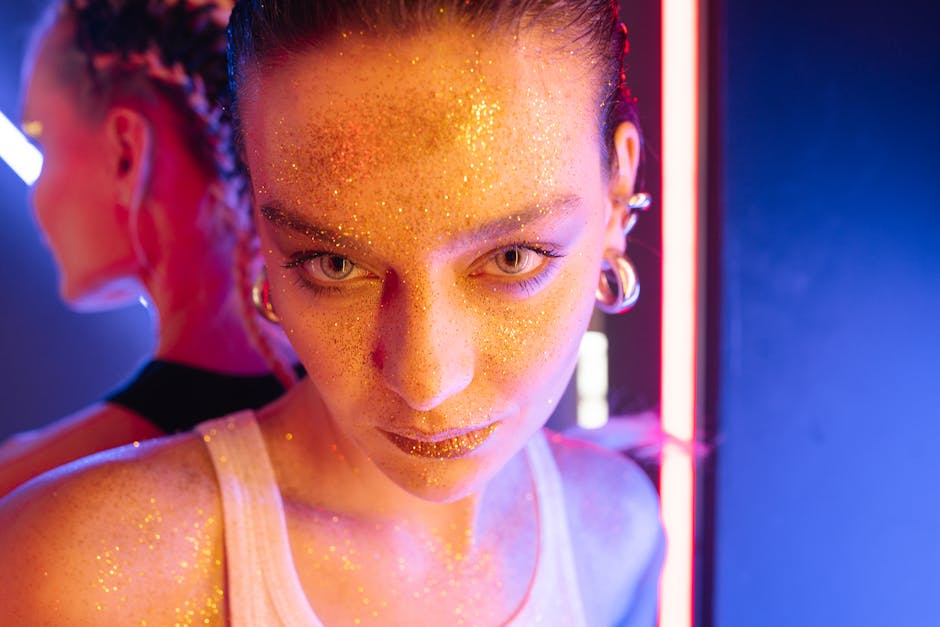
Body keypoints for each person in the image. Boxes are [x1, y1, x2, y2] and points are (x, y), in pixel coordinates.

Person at [0, 0, 664, 624]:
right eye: (334, 263)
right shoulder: (77, 575)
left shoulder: (616, 533)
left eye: (513, 257)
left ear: (618, 190)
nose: (425, 379)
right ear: (263, 227)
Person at [0, 0, 298, 498]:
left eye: (44, 141)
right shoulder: (387, 426)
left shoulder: (33, 494)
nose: (36, 195)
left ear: (126, 153)